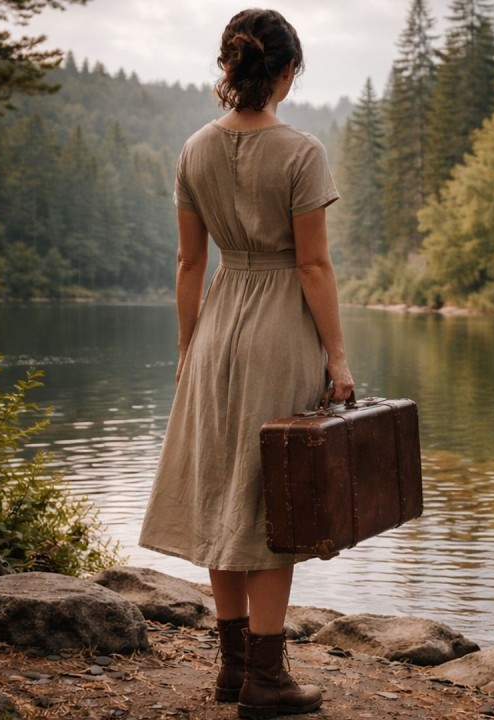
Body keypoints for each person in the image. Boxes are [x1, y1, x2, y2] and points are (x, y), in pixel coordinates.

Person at [138, 8, 352, 718]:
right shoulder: (301, 151)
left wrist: (186, 347)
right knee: (272, 499)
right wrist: (339, 358)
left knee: (222, 488)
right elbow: (314, 265)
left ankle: (233, 670)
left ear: (232, 68)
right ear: (286, 71)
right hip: (278, 330)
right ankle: (267, 679)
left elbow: (188, 261)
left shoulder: (194, 149)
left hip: (216, 323)